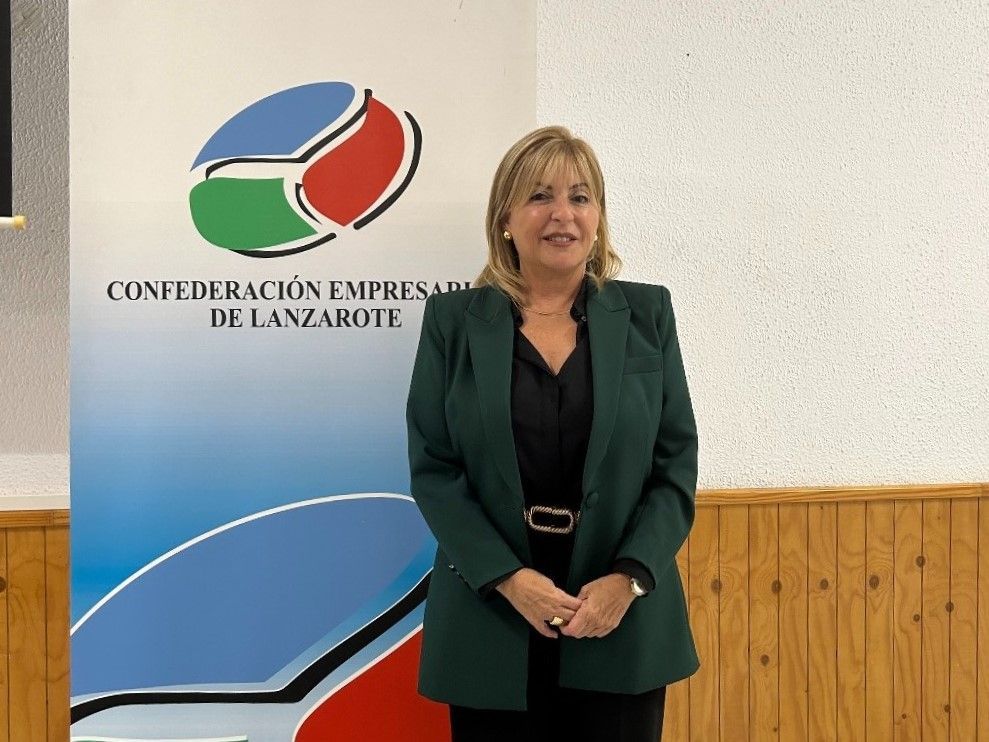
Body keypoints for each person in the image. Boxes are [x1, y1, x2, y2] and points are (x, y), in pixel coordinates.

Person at [406, 125, 699, 741]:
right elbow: (435, 470)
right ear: (506, 218)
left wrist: (629, 579)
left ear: (598, 219)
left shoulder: (648, 315)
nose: (562, 214)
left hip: (616, 619)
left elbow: (674, 466)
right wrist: (509, 580)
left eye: (580, 197)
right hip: (493, 616)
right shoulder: (453, 323)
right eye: (540, 195)